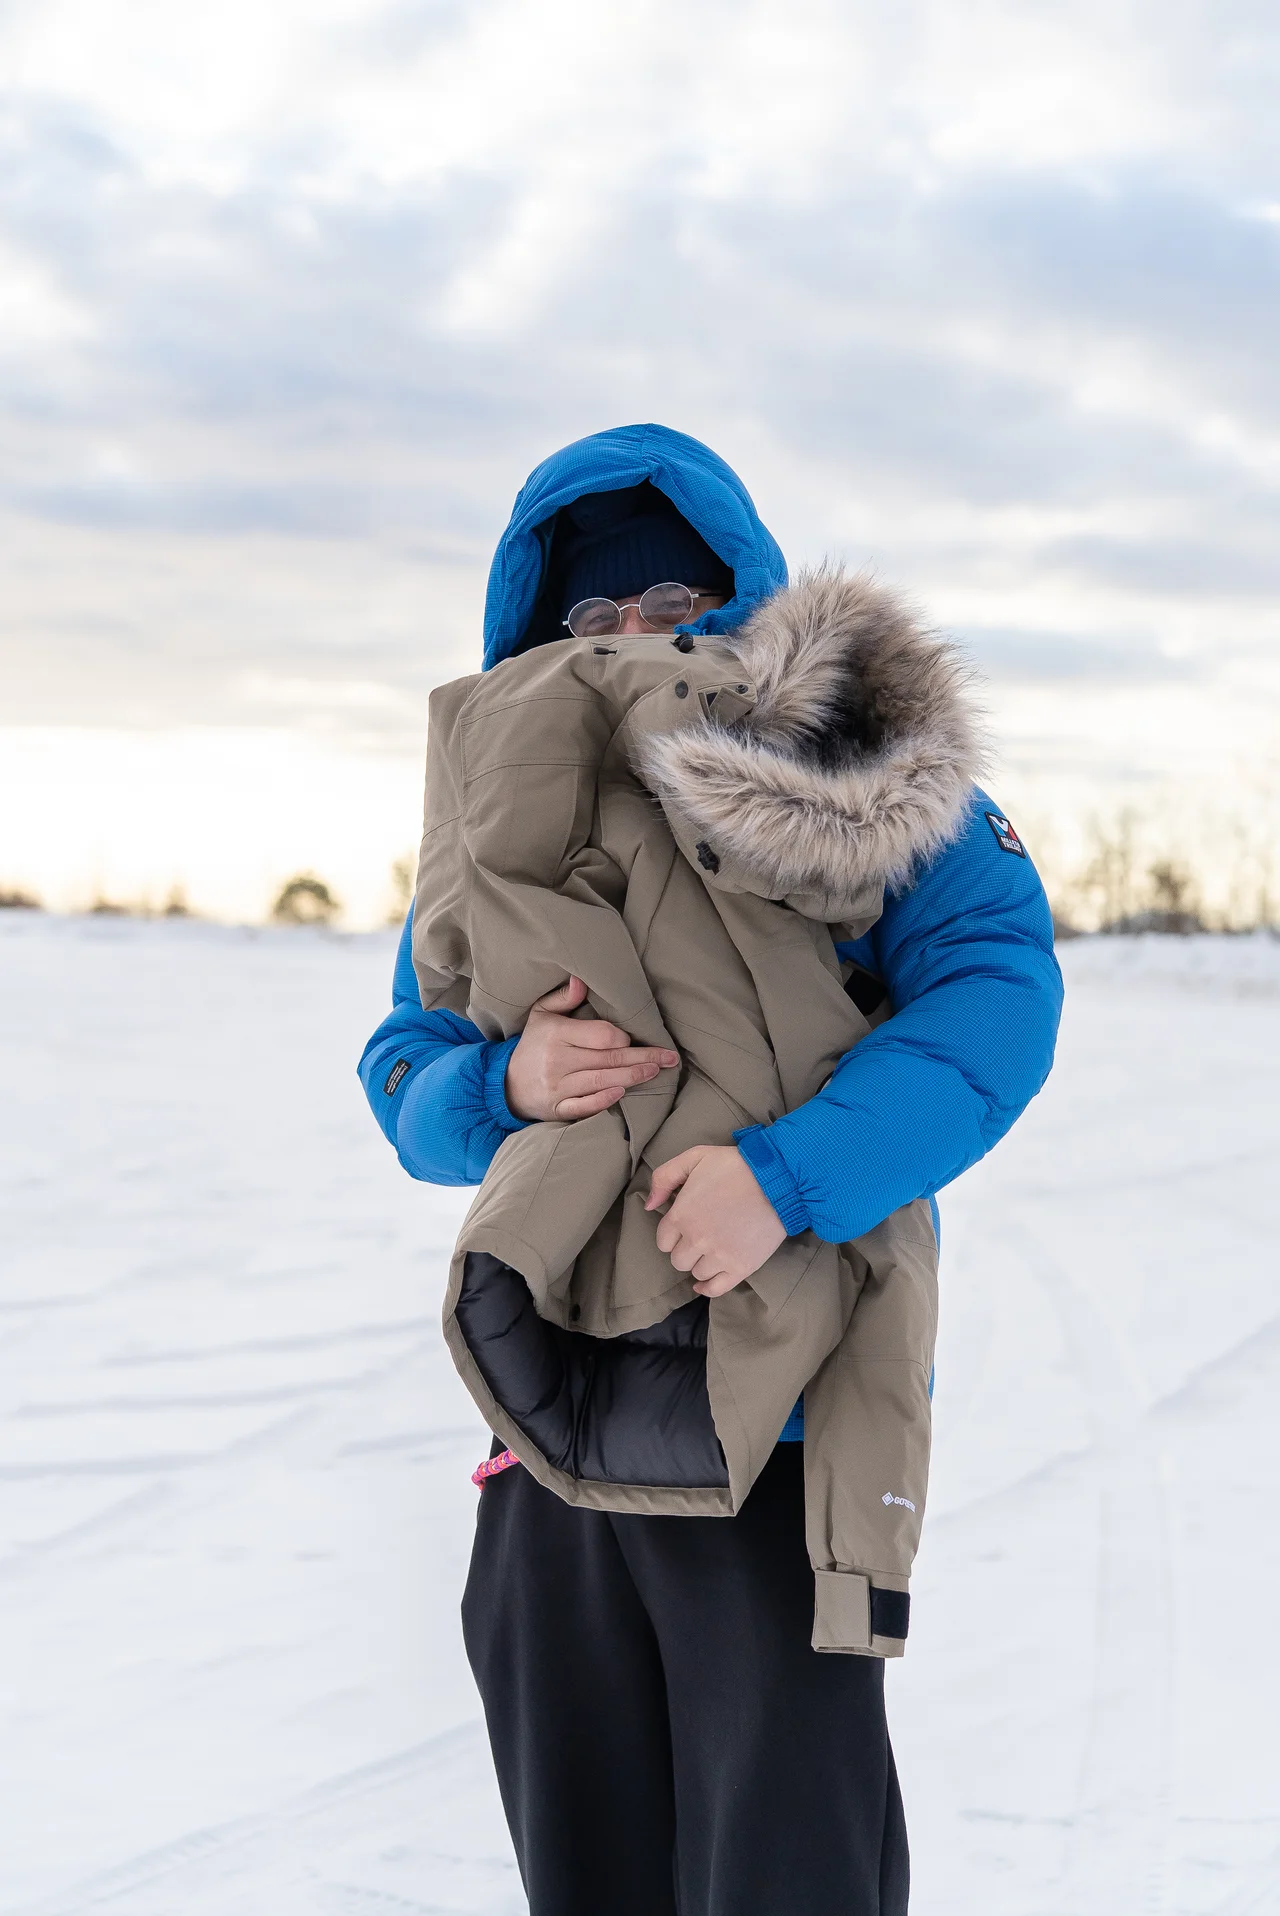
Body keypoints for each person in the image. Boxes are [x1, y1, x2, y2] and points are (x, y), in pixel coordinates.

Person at [359, 423, 1063, 1915]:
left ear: (737, 593)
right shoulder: (497, 817)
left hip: (779, 1419)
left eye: (671, 603)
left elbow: (995, 991)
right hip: (551, 1420)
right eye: (590, 618)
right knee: (589, 1862)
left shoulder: (846, 750)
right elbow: (403, 1065)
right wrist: (503, 1085)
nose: (631, 641)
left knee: (788, 1867)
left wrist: (789, 1178)